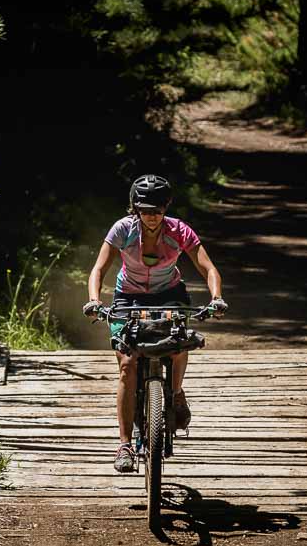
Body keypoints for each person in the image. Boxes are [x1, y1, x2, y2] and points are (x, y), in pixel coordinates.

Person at [83, 175, 227, 473]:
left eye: (157, 210)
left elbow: (208, 267)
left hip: (170, 294)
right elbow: (99, 268)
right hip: (128, 297)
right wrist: (95, 301)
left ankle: (174, 393)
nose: (151, 216)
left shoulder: (179, 231)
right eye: (144, 209)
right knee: (127, 363)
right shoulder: (123, 229)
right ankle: (123, 444)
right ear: (134, 208)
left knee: (178, 342)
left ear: (166, 207)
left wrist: (216, 298)